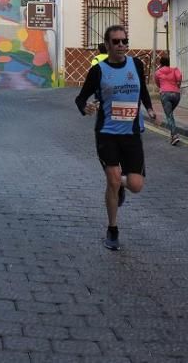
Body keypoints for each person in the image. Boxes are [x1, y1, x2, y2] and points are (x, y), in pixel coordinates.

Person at [75, 25, 156, 251]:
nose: (122, 45)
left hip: (131, 134)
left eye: (124, 41)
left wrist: (149, 109)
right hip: (107, 134)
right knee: (111, 179)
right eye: (117, 42)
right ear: (108, 45)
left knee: (136, 185)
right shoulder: (99, 71)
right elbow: (80, 98)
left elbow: (142, 91)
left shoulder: (136, 64)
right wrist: (86, 107)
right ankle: (112, 229)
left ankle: (121, 184)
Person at [154, 55, 183, 146]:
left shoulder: (158, 72)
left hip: (165, 94)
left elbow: (158, 83)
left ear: (161, 63)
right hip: (176, 95)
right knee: (170, 115)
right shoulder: (175, 70)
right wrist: (177, 86)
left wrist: (163, 87)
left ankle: (174, 136)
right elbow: (179, 77)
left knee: (169, 116)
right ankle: (172, 135)